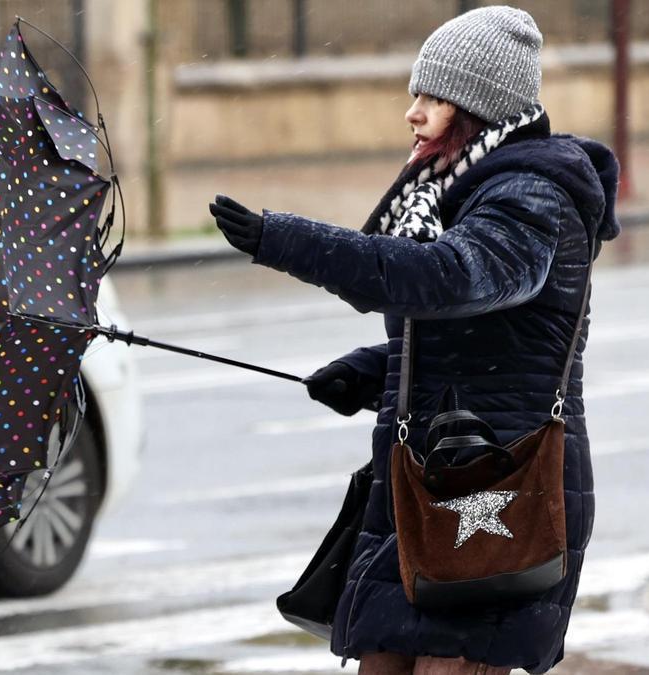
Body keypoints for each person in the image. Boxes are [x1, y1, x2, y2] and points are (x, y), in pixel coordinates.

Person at [209, 5, 621, 674]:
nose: (413, 113)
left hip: (501, 492)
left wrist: (286, 241)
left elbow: (447, 279)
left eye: (434, 98)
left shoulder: (532, 197)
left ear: (477, 110)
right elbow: (482, 338)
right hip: (427, 487)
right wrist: (372, 371)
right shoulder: (452, 194)